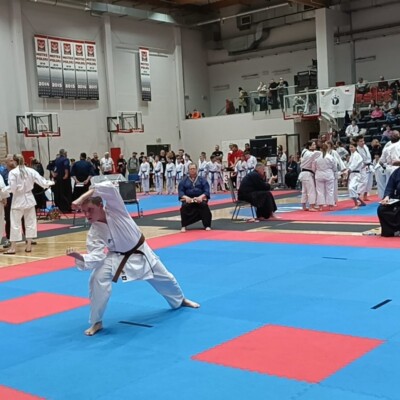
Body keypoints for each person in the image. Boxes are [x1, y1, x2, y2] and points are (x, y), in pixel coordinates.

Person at [66, 180, 199, 336]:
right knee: (97, 278)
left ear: (101, 205)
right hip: (116, 256)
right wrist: (80, 256)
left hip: (140, 251)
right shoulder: (94, 231)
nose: (87, 215)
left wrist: (82, 197)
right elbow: (96, 256)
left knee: (165, 278)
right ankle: (97, 321)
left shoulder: (116, 210)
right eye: (84, 211)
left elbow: (109, 188)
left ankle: (180, 300)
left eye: (90, 210)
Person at [3, 154, 54, 254]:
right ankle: (29, 246)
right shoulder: (31, 171)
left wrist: (3, 190)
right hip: (29, 199)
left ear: (14, 161)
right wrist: (51, 182)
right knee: (30, 223)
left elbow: (12, 188)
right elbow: (43, 182)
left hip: (18, 199)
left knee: (15, 224)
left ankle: (13, 248)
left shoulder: (13, 172)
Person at [178, 163, 212, 233]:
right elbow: (180, 192)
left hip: (200, 198)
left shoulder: (202, 180)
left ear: (196, 170)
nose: (192, 170)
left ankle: (207, 225)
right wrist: (186, 197)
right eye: (191, 169)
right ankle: (184, 225)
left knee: (204, 205)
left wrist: (201, 197)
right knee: (184, 207)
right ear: (188, 170)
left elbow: (206, 191)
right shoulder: (183, 181)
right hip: (188, 199)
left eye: (194, 169)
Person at [377, 167, 400, 236]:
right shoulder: (397, 172)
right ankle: (391, 231)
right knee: (382, 209)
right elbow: (390, 187)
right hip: (398, 199)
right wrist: (387, 196)